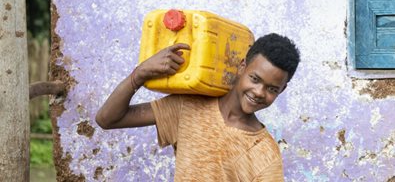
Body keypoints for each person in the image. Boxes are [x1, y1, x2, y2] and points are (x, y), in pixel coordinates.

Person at [96, 33, 300, 181]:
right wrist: (139, 75)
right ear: (242, 67)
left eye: (272, 89)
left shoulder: (265, 154)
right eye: (254, 79)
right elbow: (107, 119)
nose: (258, 92)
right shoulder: (190, 105)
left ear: (281, 91)